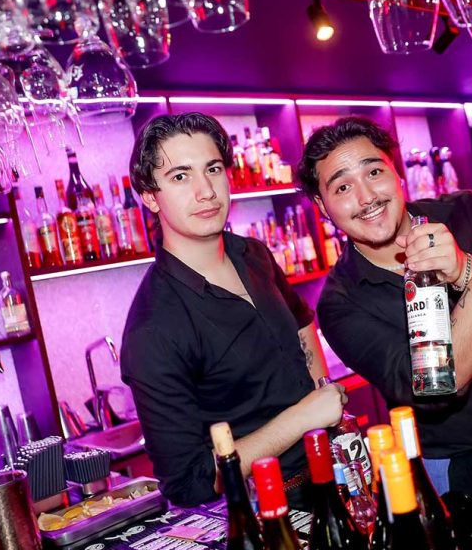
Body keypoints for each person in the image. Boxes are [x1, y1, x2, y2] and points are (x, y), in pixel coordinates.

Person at [299, 116, 472, 509]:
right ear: (322, 205)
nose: (367, 197)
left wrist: (464, 267)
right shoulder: (340, 303)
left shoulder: (468, 212)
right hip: (457, 468)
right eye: (343, 187)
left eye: (374, 172)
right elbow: (440, 388)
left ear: (397, 173)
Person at [120, 112, 346, 508]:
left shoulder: (253, 254)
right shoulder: (154, 329)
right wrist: (304, 417)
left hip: (332, 471)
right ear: (150, 196)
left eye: (212, 169)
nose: (206, 191)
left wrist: (323, 397)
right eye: (180, 176)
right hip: (263, 507)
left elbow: (301, 324)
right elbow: (190, 481)